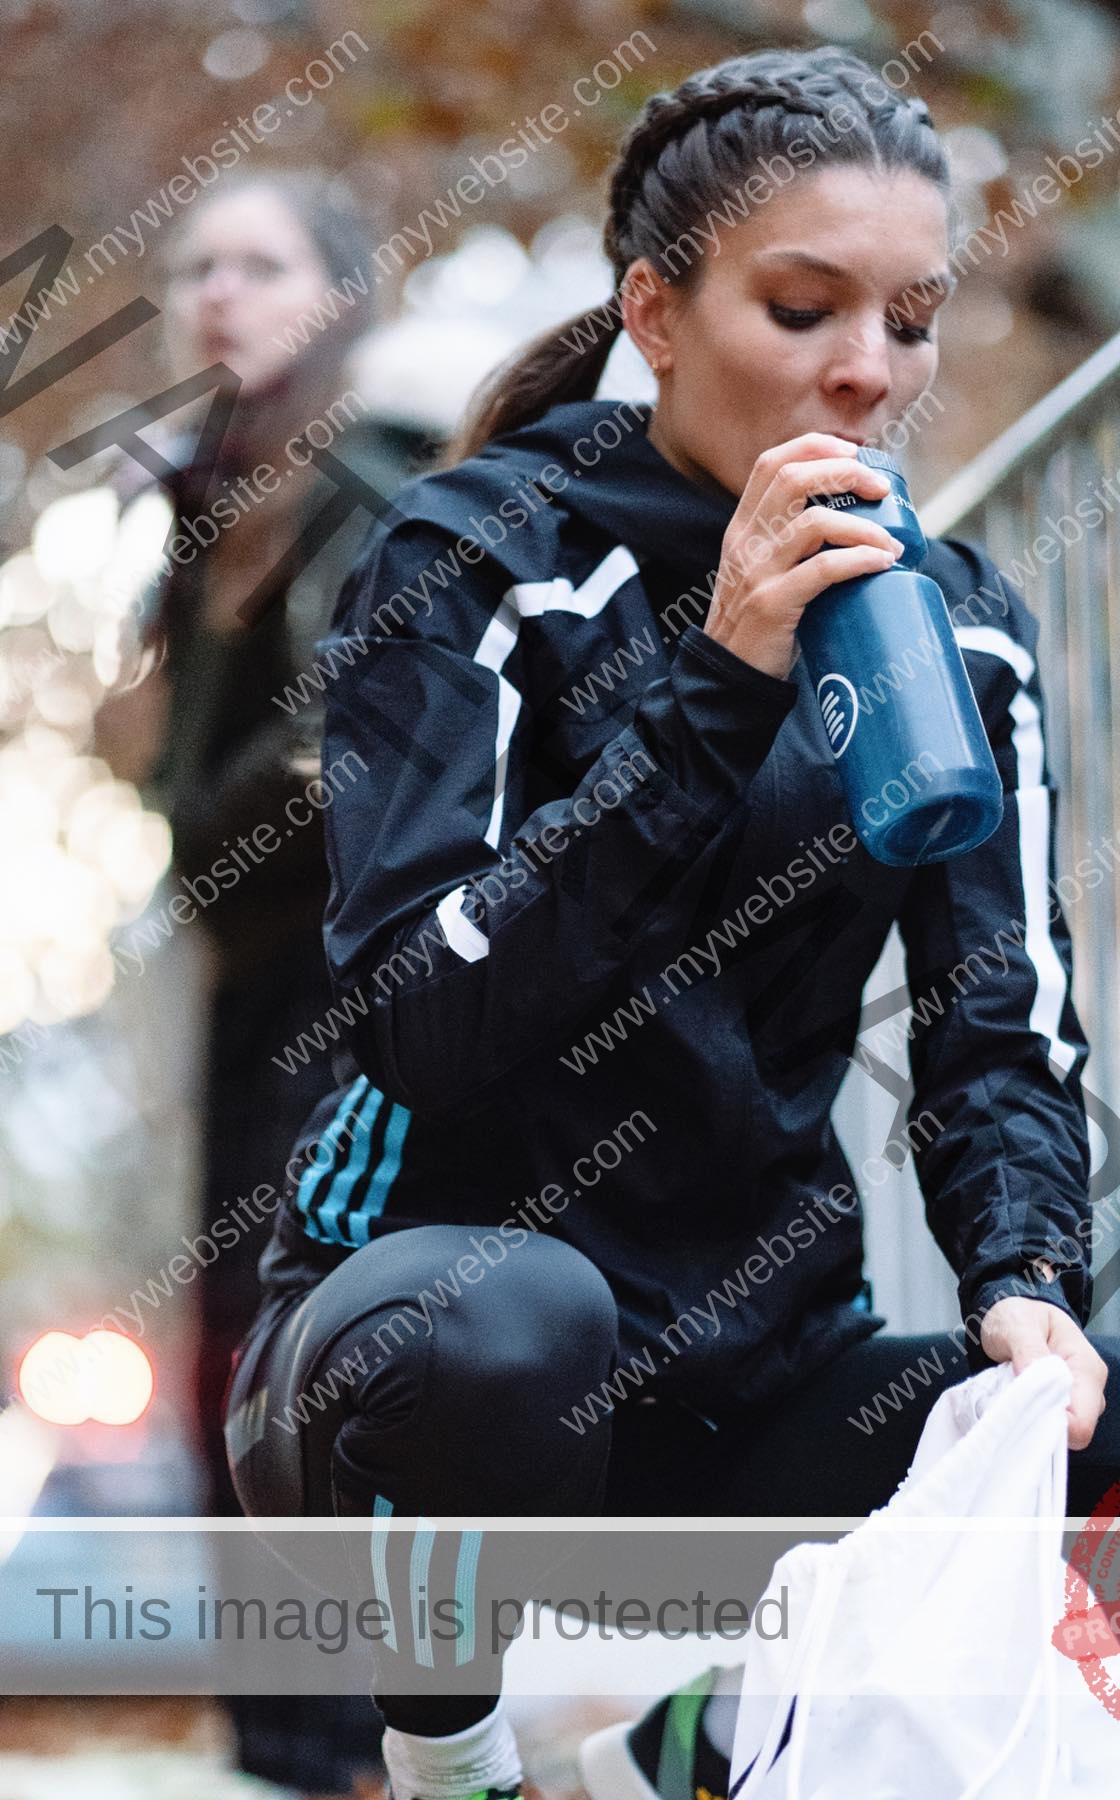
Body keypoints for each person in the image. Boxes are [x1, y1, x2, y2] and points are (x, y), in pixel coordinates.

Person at [222, 46, 1120, 1800]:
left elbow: (1001, 1027)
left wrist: (1026, 1286)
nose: (870, 370)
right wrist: (720, 684)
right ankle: (451, 1754)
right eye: (803, 309)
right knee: (504, 1324)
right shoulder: (475, 556)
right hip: (425, 1370)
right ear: (655, 308)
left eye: (912, 320)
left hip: (762, 1378)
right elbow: (424, 1021)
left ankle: (697, 1733)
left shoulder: (951, 623)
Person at [97, 168, 427, 1795]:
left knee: (316, 1330)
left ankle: (360, 1736)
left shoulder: (381, 483)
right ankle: (282, 1740)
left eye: (260, 264)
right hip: (248, 971)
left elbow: (345, 751)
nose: (216, 293)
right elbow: (164, 751)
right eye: (195, 267)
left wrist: (193, 817)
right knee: (231, 1334)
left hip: (354, 977)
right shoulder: (203, 504)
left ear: (342, 295)